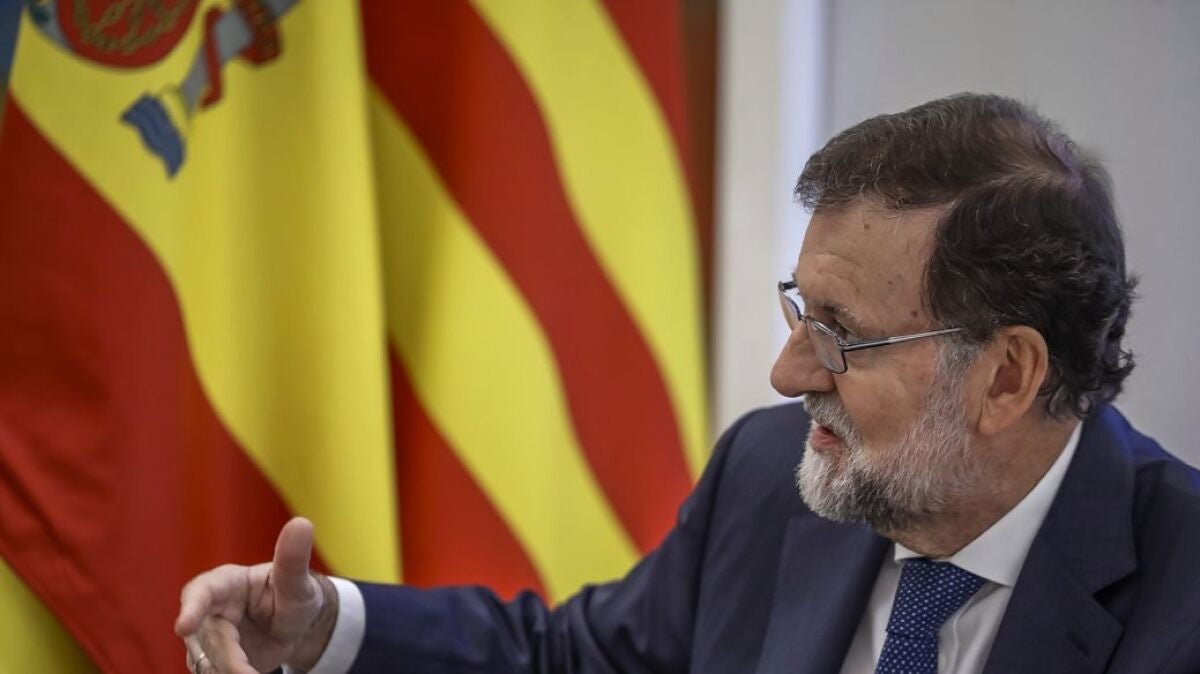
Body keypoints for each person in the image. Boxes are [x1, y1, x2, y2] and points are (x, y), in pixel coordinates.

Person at [175, 93, 1200, 674]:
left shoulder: (1181, 594)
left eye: (842, 335)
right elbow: (574, 659)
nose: (788, 373)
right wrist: (324, 626)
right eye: (802, 310)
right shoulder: (770, 474)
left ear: (1007, 375)